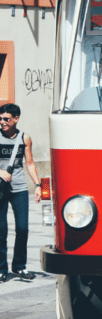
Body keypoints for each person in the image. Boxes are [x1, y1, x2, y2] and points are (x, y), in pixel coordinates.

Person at [0, 104, 41, 282]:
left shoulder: (25, 138)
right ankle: (1, 269)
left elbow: (29, 163)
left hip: (19, 189)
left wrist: (38, 184)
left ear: (16, 119)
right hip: (1, 190)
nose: (2, 122)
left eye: (6, 119)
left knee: (23, 228)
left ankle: (19, 267)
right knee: (1, 231)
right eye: (0, 119)